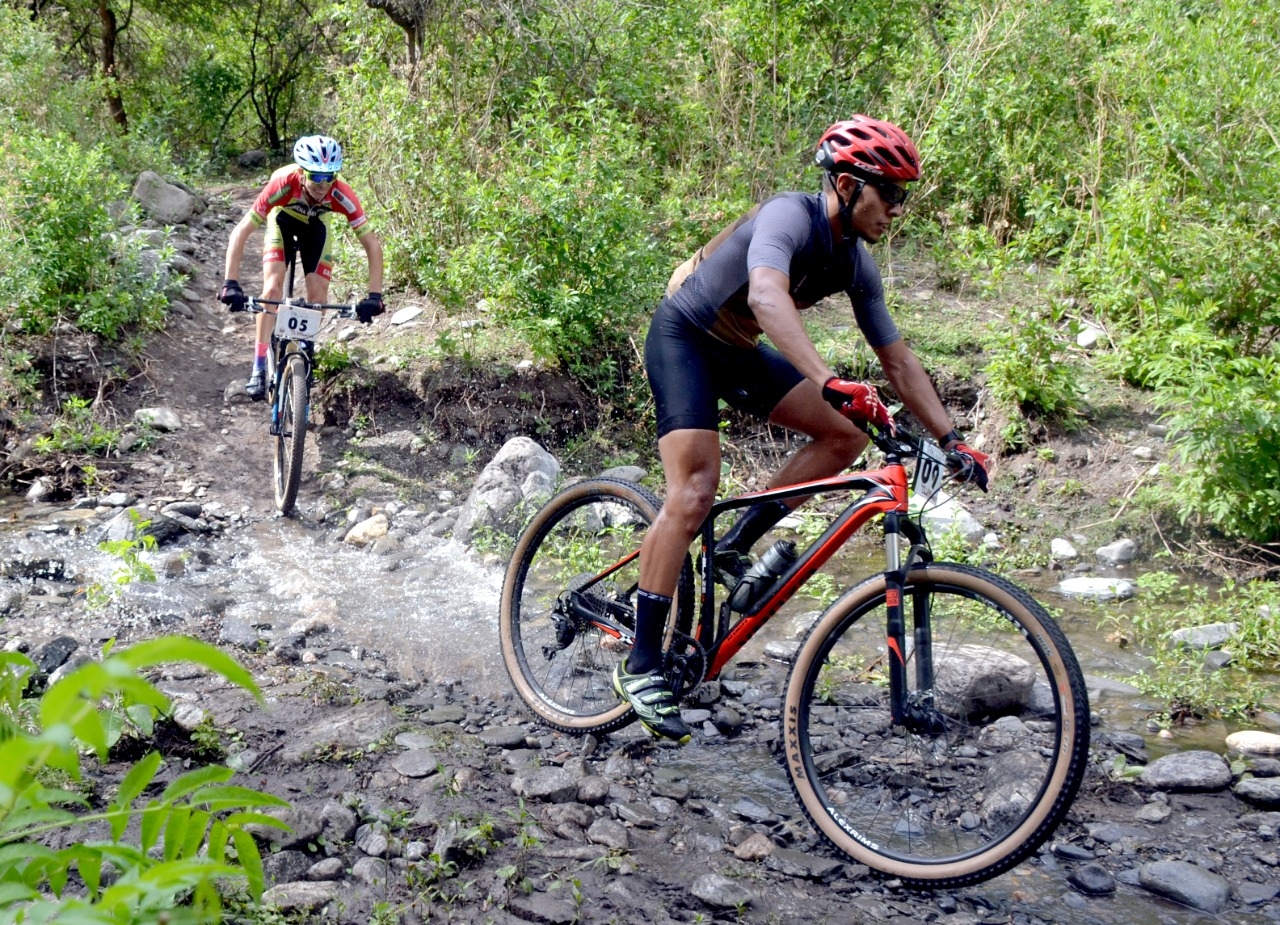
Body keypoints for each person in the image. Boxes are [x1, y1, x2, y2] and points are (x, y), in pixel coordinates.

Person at [614, 115, 991, 742]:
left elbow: (897, 359)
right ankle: (642, 663)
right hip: (684, 336)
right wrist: (829, 380)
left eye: (902, 196)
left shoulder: (856, 264)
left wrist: (952, 439)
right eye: (889, 193)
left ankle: (733, 544)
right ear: (846, 184)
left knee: (846, 435)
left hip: (737, 351)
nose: (897, 208)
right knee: (694, 489)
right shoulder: (789, 216)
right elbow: (765, 296)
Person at [219, 135, 385, 399]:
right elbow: (241, 231)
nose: (323, 184)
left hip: (316, 228)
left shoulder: (341, 192)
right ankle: (259, 365)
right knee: (272, 290)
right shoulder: (283, 183)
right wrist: (231, 283)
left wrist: (374, 296)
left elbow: (372, 245)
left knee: (318, 296)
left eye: (329, 177)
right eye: (315, 176)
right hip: (282, 221)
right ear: (301, 171)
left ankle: (306, 348)